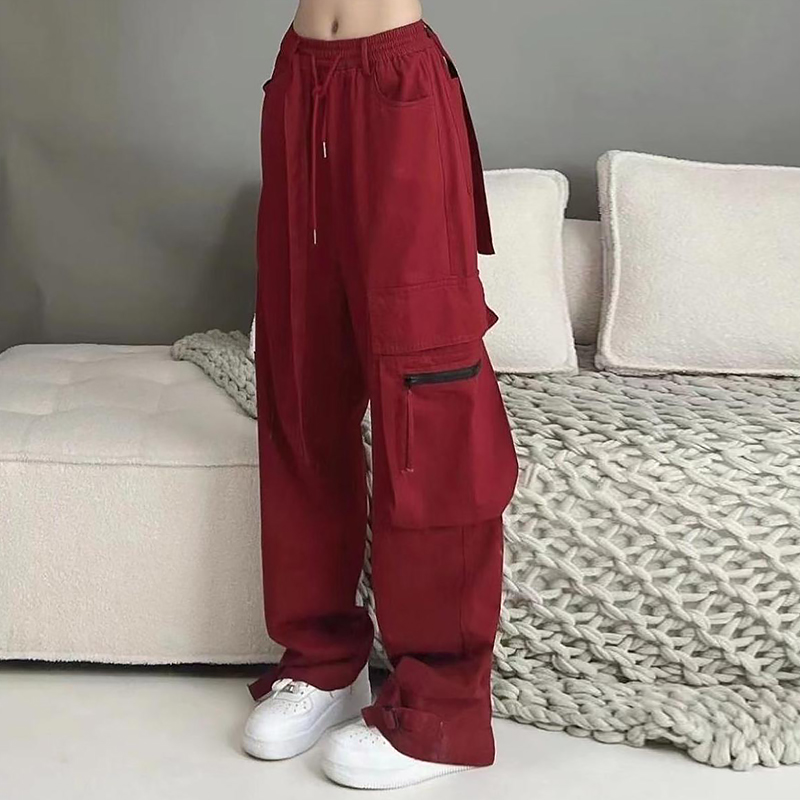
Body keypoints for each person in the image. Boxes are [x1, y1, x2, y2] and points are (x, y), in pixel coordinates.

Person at [243, 0, 519, 789]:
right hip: (300, 77)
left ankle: (442, 705)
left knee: (426, 391)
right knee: (301, 377)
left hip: (397, 84)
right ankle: (323, 660)